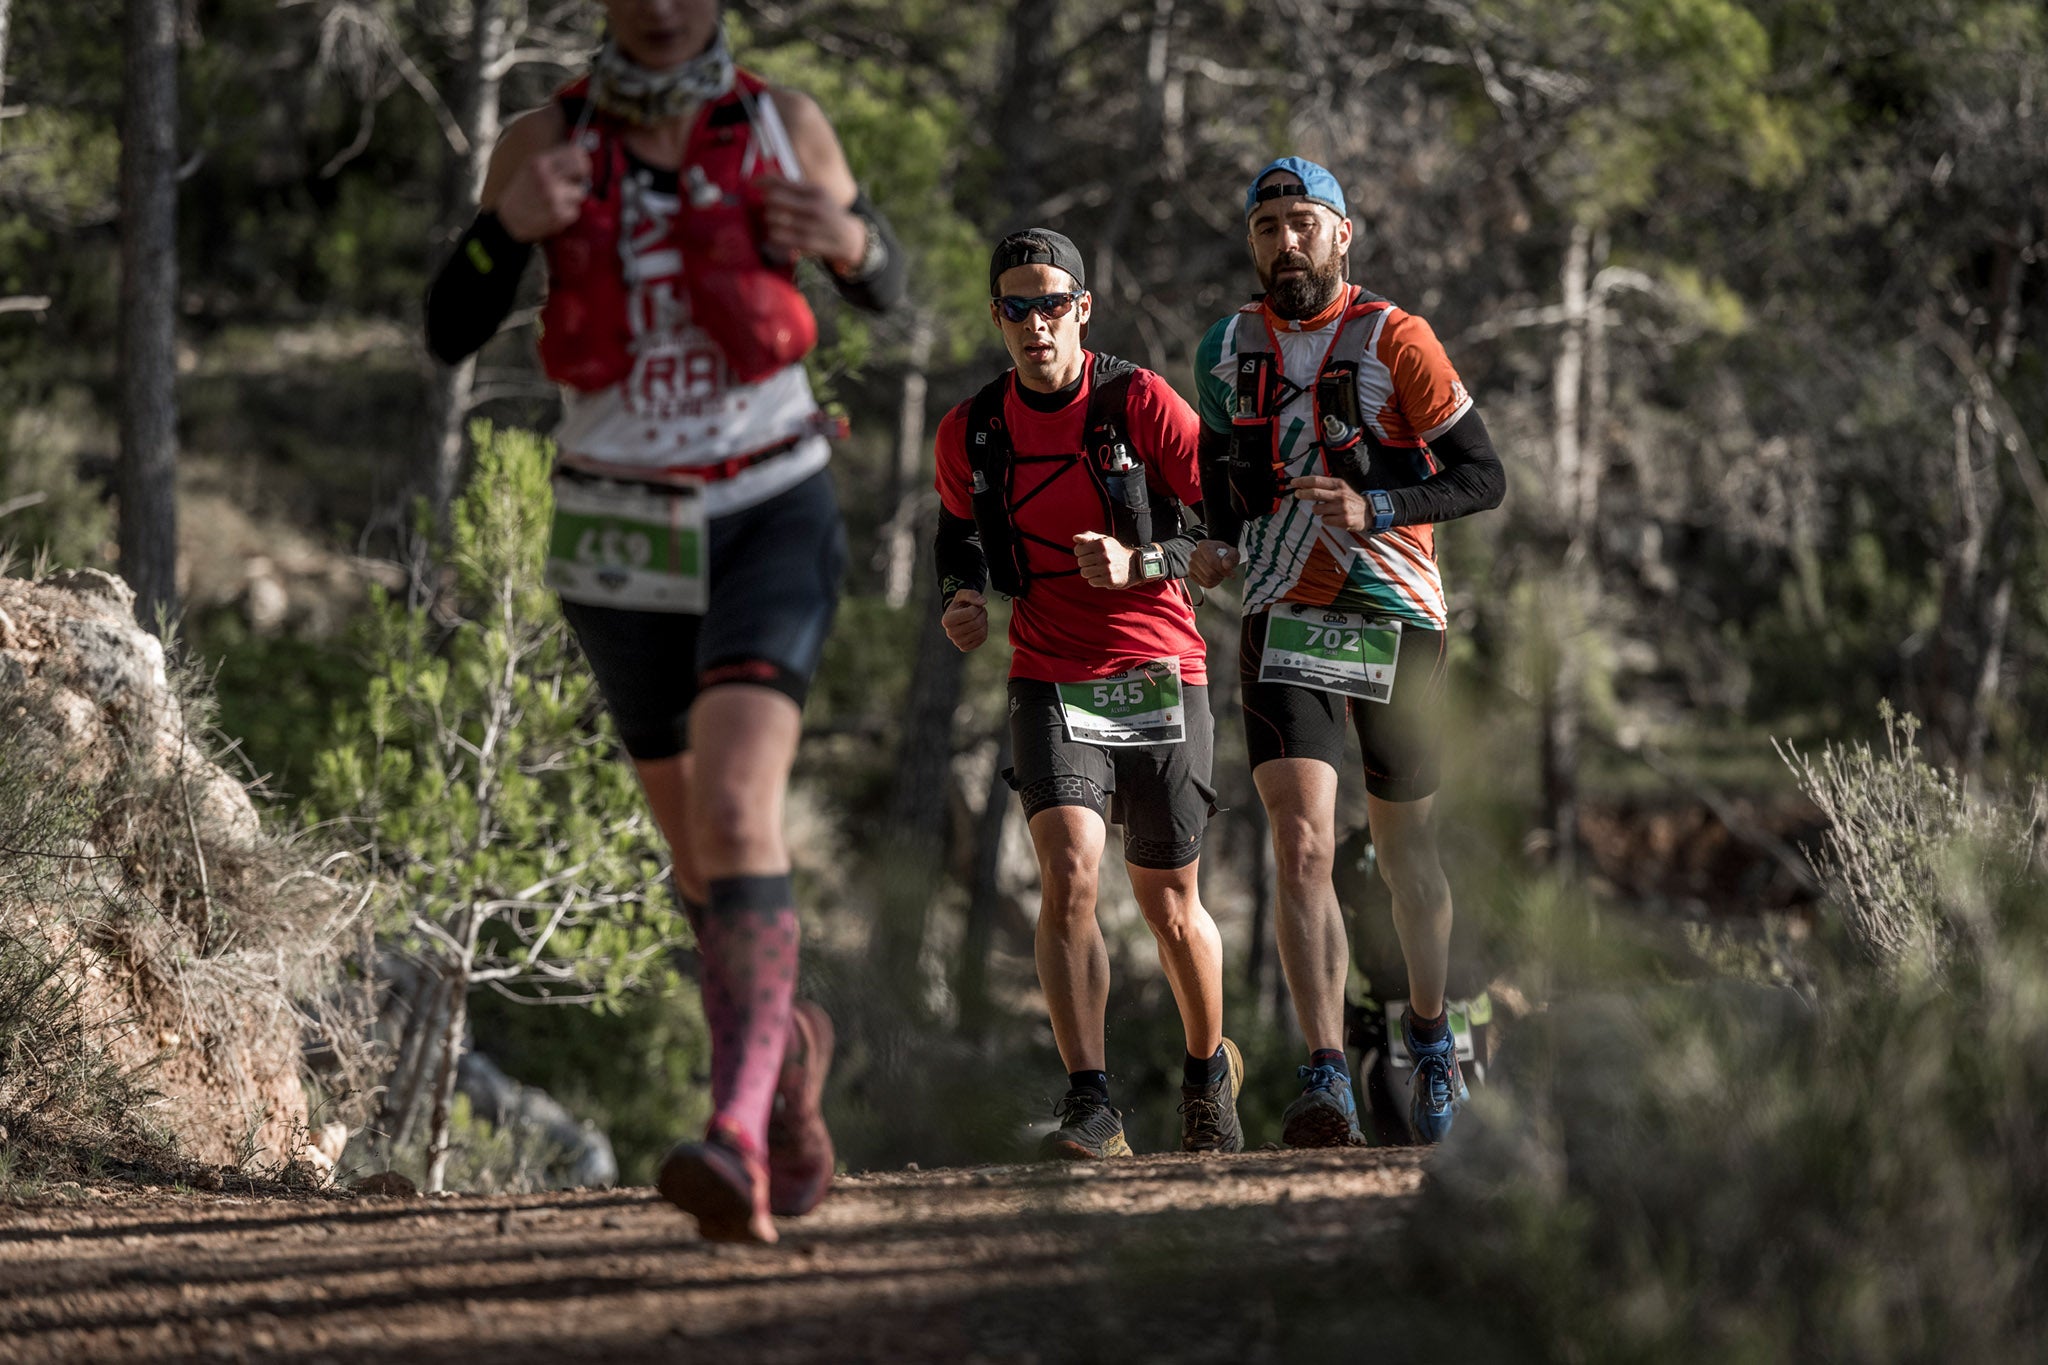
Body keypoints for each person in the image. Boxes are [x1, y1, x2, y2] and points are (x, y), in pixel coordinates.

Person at [423, 0, 904, 1241]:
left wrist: (849, 240)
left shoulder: (782, 121)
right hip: (615, 531)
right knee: (698, 862)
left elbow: (884, 285)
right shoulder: (542, 141)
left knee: (743, 808)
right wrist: (500, 232)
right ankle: (786, 1075)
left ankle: (733, 1135)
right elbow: (449, 326)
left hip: (766, 505)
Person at [1189, 158, 1506, 1146]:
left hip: (1397, 613)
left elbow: (1480, 477)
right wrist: (1207, 540)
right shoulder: (1226, 346)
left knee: (1405, 848)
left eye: (1299, 223)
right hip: (1283, 613)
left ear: (1341, 233)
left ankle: (1425, 1035)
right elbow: (1223, 486)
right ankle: (1323, 1068)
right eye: (1265, 226)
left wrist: (1378, 505)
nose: (1281, 242)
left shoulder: (1395, 339)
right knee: (1300, 844)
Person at [935, 229, 1243, 1159]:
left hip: (1158, 668)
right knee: (1067, 872)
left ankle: (1205, 1072)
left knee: (1169, 905)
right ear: (997, 317)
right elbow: (958, 537)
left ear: (1084, 307)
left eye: (1052, 302)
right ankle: (1092, 1102)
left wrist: (1139, 561)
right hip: (1049, 671)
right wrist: (959, 598)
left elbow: (1224, 537)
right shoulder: (972, 430)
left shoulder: (1138, 401)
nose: (1036, 323)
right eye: (1017, 306)